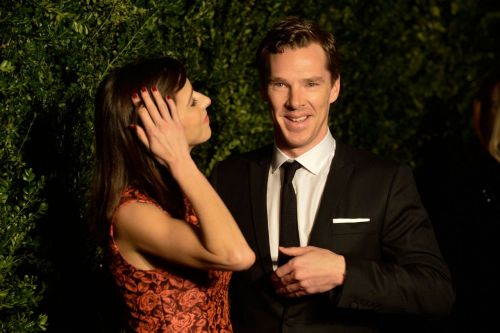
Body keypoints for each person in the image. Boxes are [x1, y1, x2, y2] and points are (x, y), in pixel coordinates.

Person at [210, 17, 455, 332]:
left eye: (311, 83)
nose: (295, 101)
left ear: (334, 87)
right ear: (263, 90)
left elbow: (435, 291)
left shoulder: (385, 180)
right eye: (280, 84)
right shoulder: (227, 177)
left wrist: (343, 272)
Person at [90, 56, 255, 332]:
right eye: (191, 101)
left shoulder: (180, 193)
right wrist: (179, 159)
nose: (206, 101)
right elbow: (237, 256)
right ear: (152, 123)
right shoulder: (133, 214)